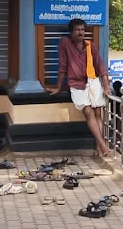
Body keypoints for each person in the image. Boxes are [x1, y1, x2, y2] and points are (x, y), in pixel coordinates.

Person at [46, 18, 111, 157]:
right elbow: (62, 66)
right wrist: (58, 87)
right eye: (77, 30)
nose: (81, 33)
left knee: (98, 113)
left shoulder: (90, 46)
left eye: (82, 30)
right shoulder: (65, 43)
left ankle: (99, 147)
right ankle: (103, 145)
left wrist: (106, 87)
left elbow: (100, 67)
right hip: (76, 84)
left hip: (92, 82)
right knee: (88, 112)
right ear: (71, 32)